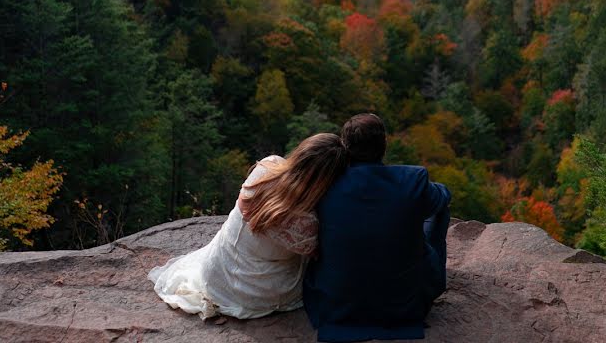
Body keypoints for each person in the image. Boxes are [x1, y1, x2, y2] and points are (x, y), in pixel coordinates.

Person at [149, 133, 348, 320]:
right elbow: (316, 255)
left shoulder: (267, 167)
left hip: (217, 273)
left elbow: (245, 206)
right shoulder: (308, 223)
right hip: (261, 293)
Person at [303, 113, 451, 342]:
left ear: (346, 147)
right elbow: (443, 197)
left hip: (336, 302)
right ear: (384, 145)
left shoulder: (325, 183)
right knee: (438, 210)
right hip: (403, 305)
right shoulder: (413, 180)